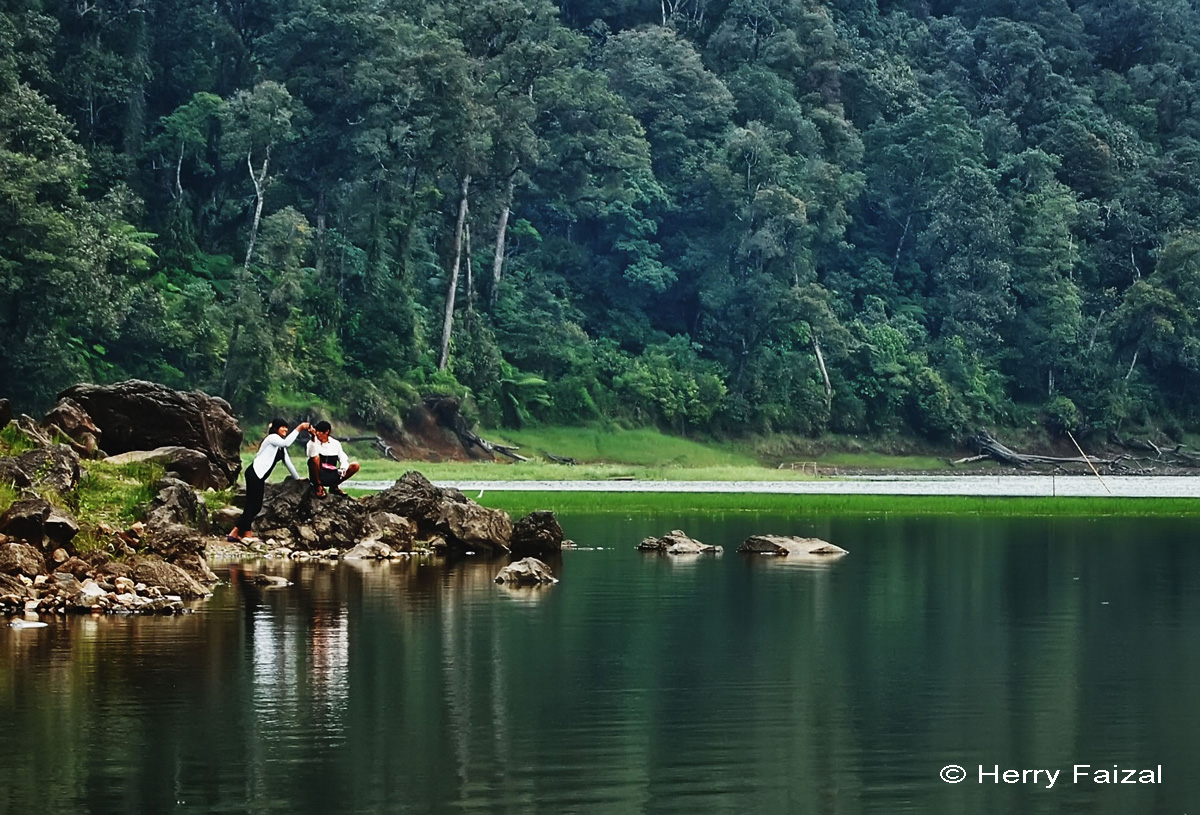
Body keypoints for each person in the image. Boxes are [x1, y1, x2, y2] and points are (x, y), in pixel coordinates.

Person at [228, 418, 311, 542]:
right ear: (276, 428)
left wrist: (298, 478)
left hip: (260, 477)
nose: (285, 429)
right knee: (251, 505)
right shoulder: (272, 438)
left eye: (286, 427)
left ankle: (236, 532)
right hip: (254, 473)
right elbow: (286, 443)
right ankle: (245, 533)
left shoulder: (280, 447)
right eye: (282, 427)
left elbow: (288, 463)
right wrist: (299, 428)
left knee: (256, 506)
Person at [306, 420, 360, 497]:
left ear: (326, 432)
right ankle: (318, 486)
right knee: (315, 459)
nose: (317, 433)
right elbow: (311, 454)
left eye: (320, 432)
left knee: (355, 465)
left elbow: (343, 458)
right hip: (318, 474)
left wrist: (343, 468)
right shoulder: (312, 443)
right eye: (316, 431)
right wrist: (313, 438)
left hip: (331, 472)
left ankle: (334, 486)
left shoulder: (335, 444)